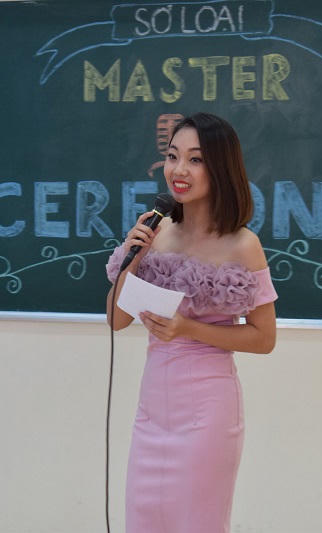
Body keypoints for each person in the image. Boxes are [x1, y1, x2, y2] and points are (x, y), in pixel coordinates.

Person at [105, 112, 278, 533]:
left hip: (207, 412)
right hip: (152, 411)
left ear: (221, 168)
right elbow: (116, 319)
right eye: (173, 156)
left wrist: (189, 329)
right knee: (144, 520)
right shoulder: (156, 232)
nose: (179, 170)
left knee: (196, 522)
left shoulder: (243, 244)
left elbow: (264, 338)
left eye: (195, 160)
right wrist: (134, 256)